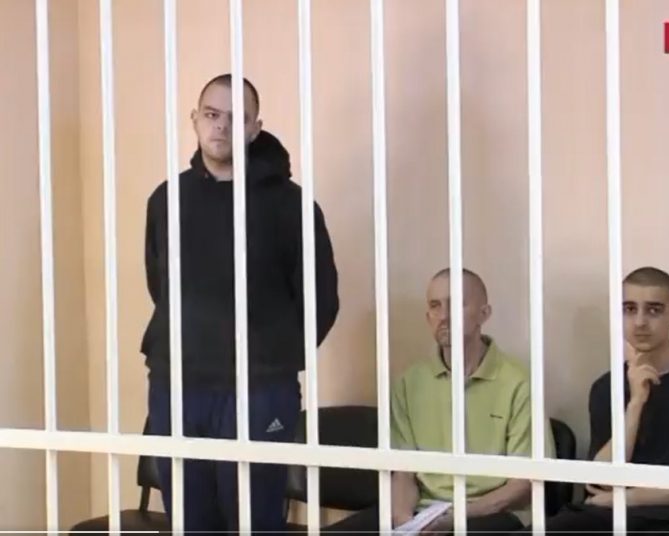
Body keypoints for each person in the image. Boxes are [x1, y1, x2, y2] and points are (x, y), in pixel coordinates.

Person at [141, 74, 339, 534]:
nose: (222, 127)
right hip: (177, 382)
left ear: (254, 128)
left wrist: (274, 356)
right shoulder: (167, 199)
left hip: (259, 387)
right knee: (189, 522)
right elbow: (160, 284)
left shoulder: (291, 206)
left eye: (236, 118)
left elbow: (321, 298)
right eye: (212, 115)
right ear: (194, 119)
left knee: (256, 522)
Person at [325, 268, 555, 535]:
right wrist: (404, 520)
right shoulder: (410, 382)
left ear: (484, 314)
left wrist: (456, 518)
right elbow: (404, 473)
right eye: (435, 306)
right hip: (424, 511)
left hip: (492, 514)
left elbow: (524, 483)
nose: (444, 316)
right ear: (428, 317)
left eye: (456, 304)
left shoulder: (519, 383)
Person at [535, 266, 669, 535]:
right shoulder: (606, 386)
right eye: (629, 309)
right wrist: (635, 404)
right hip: (610, 515)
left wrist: (627, 498)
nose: (640, 322)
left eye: (654, 310)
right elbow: (600, 481)